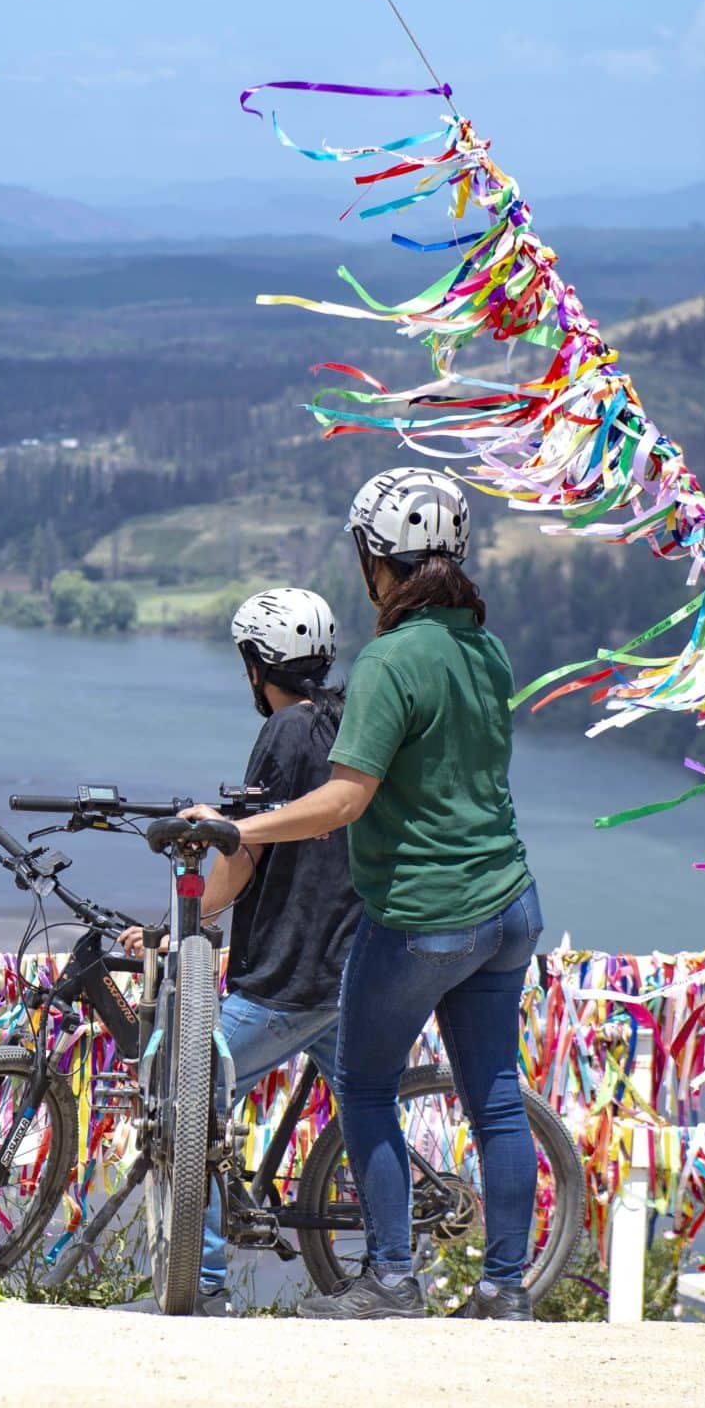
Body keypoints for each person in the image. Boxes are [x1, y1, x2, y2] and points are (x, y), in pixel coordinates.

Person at [184, 467, 542, 1321]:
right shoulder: (484, 652)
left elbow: (344, 800)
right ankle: (505, 1287)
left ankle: (390, 1277)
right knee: (493, 1093)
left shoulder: (390, 660)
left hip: (426, 914)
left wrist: (241, 828)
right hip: (511, 903)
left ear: (379, 560)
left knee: (366, 1085)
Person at [114, 587, 363, 1313]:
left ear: (257, 664)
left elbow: (242, 855)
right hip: (350, 966)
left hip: (289, 974)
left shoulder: (286, 731)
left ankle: (207, 1283)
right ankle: (394, 1262)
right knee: (368, 1107)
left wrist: (170, 929)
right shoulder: (347, 725)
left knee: (196, 1081)